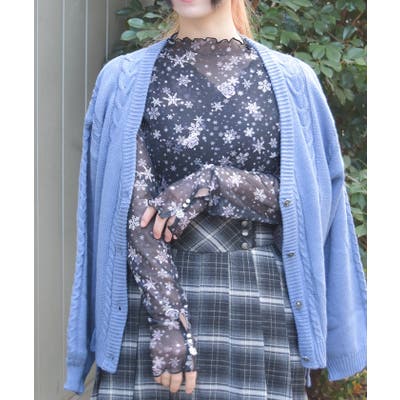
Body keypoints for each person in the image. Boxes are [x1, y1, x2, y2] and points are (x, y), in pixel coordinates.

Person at [63, 1, 367, 399]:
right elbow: (131, 208)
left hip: (261, 302)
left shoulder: (296, 81)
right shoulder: (123, 78)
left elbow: (310, 203)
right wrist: (169, 322)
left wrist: (213, 183)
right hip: (152, 303)